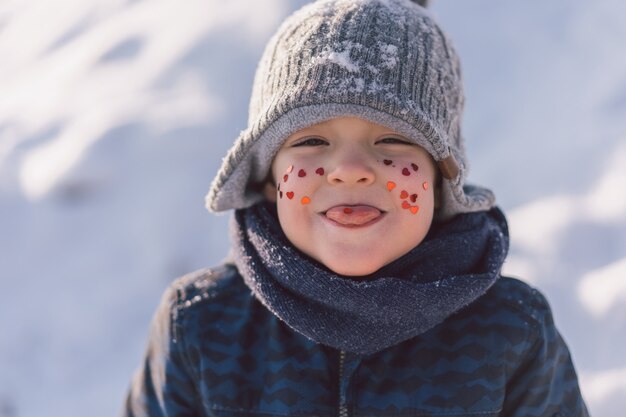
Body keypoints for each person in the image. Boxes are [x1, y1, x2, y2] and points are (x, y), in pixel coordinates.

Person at [122, 0, 589, 416]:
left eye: (392, 138)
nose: (349, 169)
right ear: (267, 181)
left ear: (440, 179)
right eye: (311, 140)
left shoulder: (507, 327)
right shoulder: (202, 323)